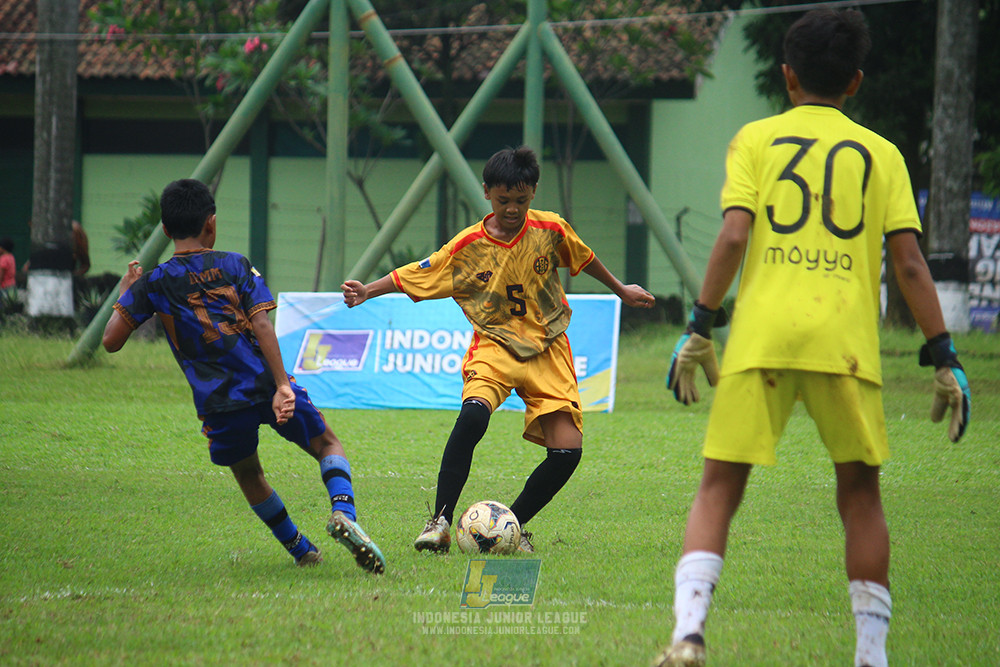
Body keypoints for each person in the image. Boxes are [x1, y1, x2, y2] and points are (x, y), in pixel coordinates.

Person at [654, 9, 971, 667]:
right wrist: (944, 354)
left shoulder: (754, 140)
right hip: (844, 344)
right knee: (860, 495)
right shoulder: (881, 153)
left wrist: (699, 324)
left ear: (787, 76)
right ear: (855, 82)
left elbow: (734, 236)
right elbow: (909, 263)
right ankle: (871, 655)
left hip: (762, 338)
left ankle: (688, 634)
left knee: (719, 486)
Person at [341, 146, 655, 554]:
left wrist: (622, 290)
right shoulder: (469, 245)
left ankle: (512, 526)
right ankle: (438, 522)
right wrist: (368, 290)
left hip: (549, 346)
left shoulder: (551, 229)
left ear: (533, 193)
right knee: (472, 417)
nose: (512, 209)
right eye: (504, 200)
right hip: (495, 344)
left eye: (521, 201)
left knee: (567, 453)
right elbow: (417, 272)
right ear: (487, 192)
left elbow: (584, 257)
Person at [103, 178, 385, 574]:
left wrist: (127, 288)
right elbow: (263, 326)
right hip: (264, 383)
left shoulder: (154, 283)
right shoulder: (234, 265)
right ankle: (344, 513)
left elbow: (111, 340)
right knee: (327, 444)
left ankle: (301, 549)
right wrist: (283, 386)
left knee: (249, 473)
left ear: (165, 230)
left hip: (217, 402)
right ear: (211, 224)